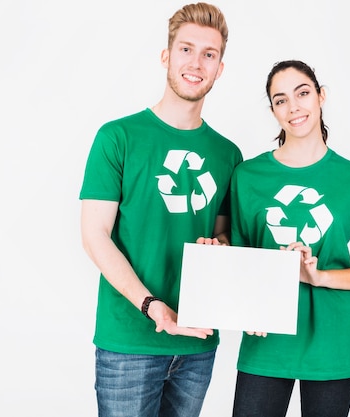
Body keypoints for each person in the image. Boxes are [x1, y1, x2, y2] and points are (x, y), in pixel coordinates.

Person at [79, 3, 242, 416]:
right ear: (166, 56)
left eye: (209, 54)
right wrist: (152, 305)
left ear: (220, 68)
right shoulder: (118, 137)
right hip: (130, 342)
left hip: (198, 345)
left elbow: (224, 234)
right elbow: (95, 235)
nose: (196, 63)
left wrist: (219, 244)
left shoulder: (228, 155)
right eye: (186, 49)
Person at [229, 60, 350, 417]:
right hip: (266, 340)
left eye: (303, 93)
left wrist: (318, 275)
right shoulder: (247, 176)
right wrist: (244, 305)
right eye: (280, 100)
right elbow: (239, 261)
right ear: (273, 111)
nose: (294, 107)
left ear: (321, 96)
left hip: (334, 342)